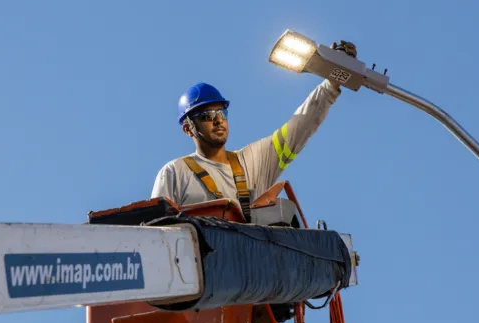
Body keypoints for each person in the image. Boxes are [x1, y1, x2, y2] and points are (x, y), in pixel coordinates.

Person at [150, 41, 358, 222]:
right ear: (188, 129)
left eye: (221, 113)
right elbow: (156, 233)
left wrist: (331, 83)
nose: (218, 120)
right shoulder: (175, 173)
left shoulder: (251, 162)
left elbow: (300, 126)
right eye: (207, 116)